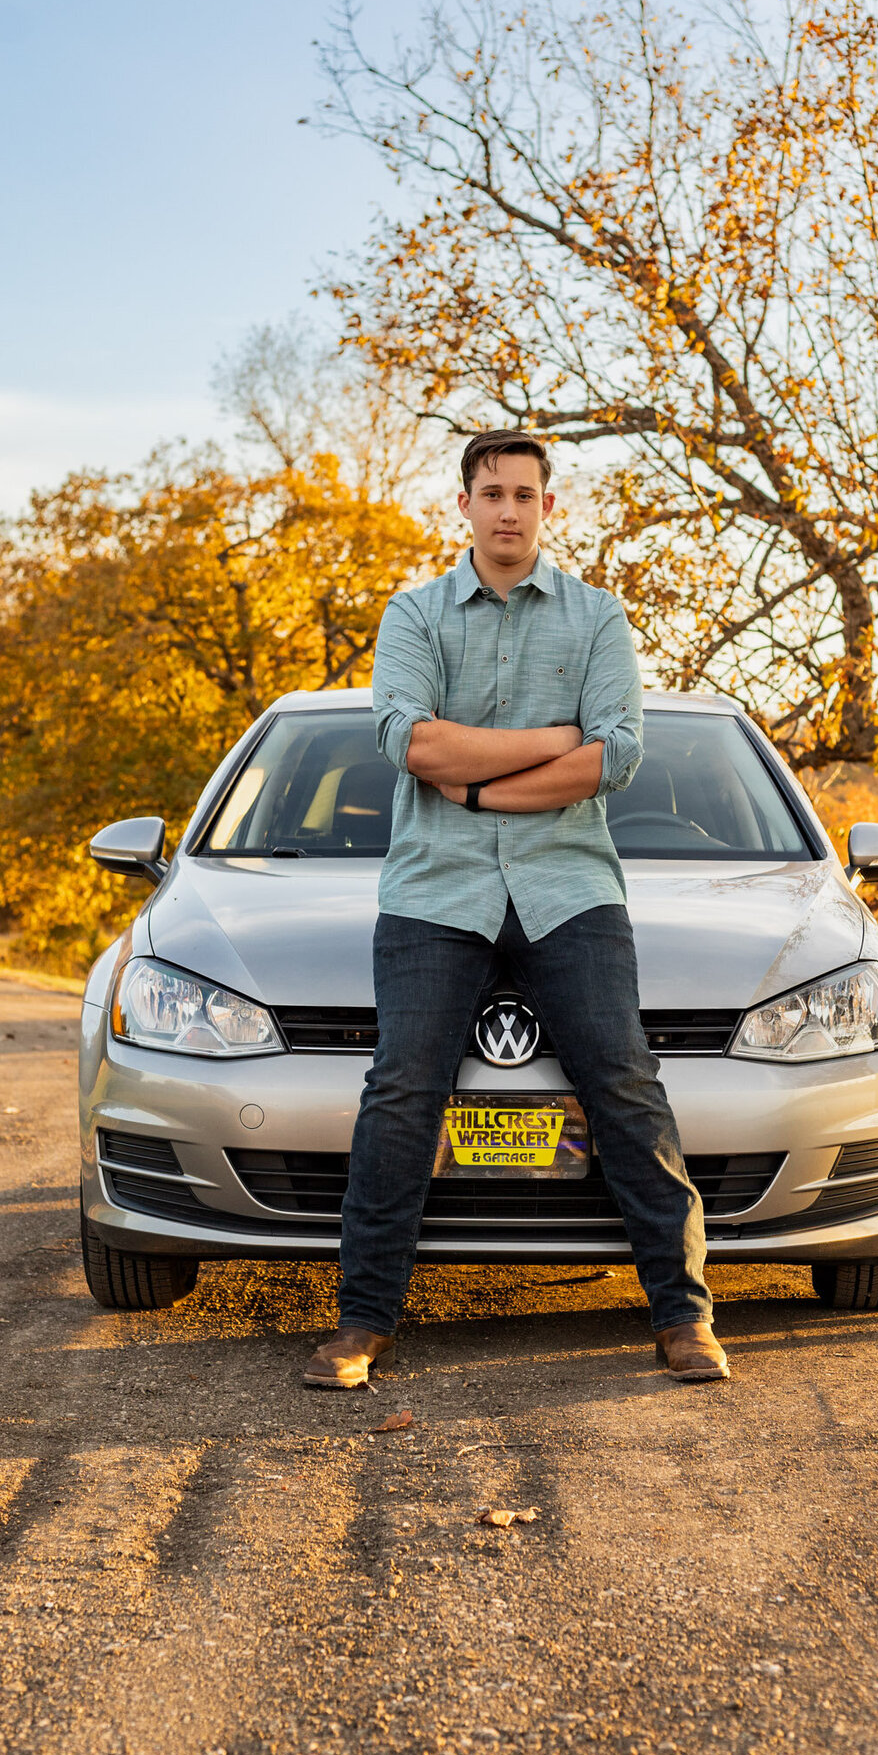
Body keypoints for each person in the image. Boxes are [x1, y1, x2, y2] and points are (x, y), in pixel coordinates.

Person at [303, 430, 729, 1389]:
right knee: (402, 1092)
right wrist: (549, 743)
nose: (507, 509)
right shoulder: (412, 617)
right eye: (490, 491)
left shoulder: (597, 619)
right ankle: (362, 1324)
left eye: (524, 494)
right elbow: (412, 747)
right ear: (463, 504)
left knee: (623, 1083)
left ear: (548, 508)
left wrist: (484, 783)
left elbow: (612, 756)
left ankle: (683, 1319)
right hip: (433, 888)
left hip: (568, 882)